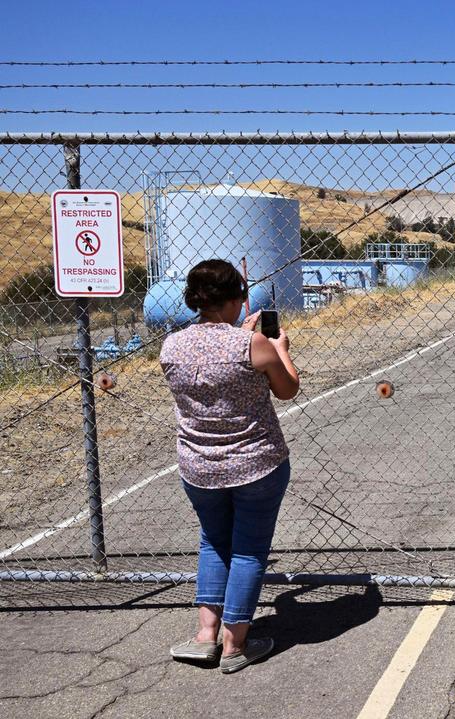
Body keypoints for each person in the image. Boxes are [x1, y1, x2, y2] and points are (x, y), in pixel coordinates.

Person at [161, 259, 300, 674]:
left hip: (198, 467)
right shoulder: (253, 345)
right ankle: (236, 643)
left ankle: (206, 636)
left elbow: (212, 369)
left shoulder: (171, 345)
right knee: (249, 550)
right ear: (235, 299)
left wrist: (241, 337)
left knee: (213, 541)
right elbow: (287, 389)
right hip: (256, 463)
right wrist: (280, 350)